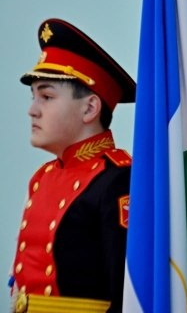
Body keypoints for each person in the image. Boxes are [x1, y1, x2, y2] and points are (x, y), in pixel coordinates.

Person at [9, 18, 136, 312]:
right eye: (34, 97)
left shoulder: (118, 180)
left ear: (89, 108)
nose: (32, 110)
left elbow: (126, 295)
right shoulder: (42, 177)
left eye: (46, 96)